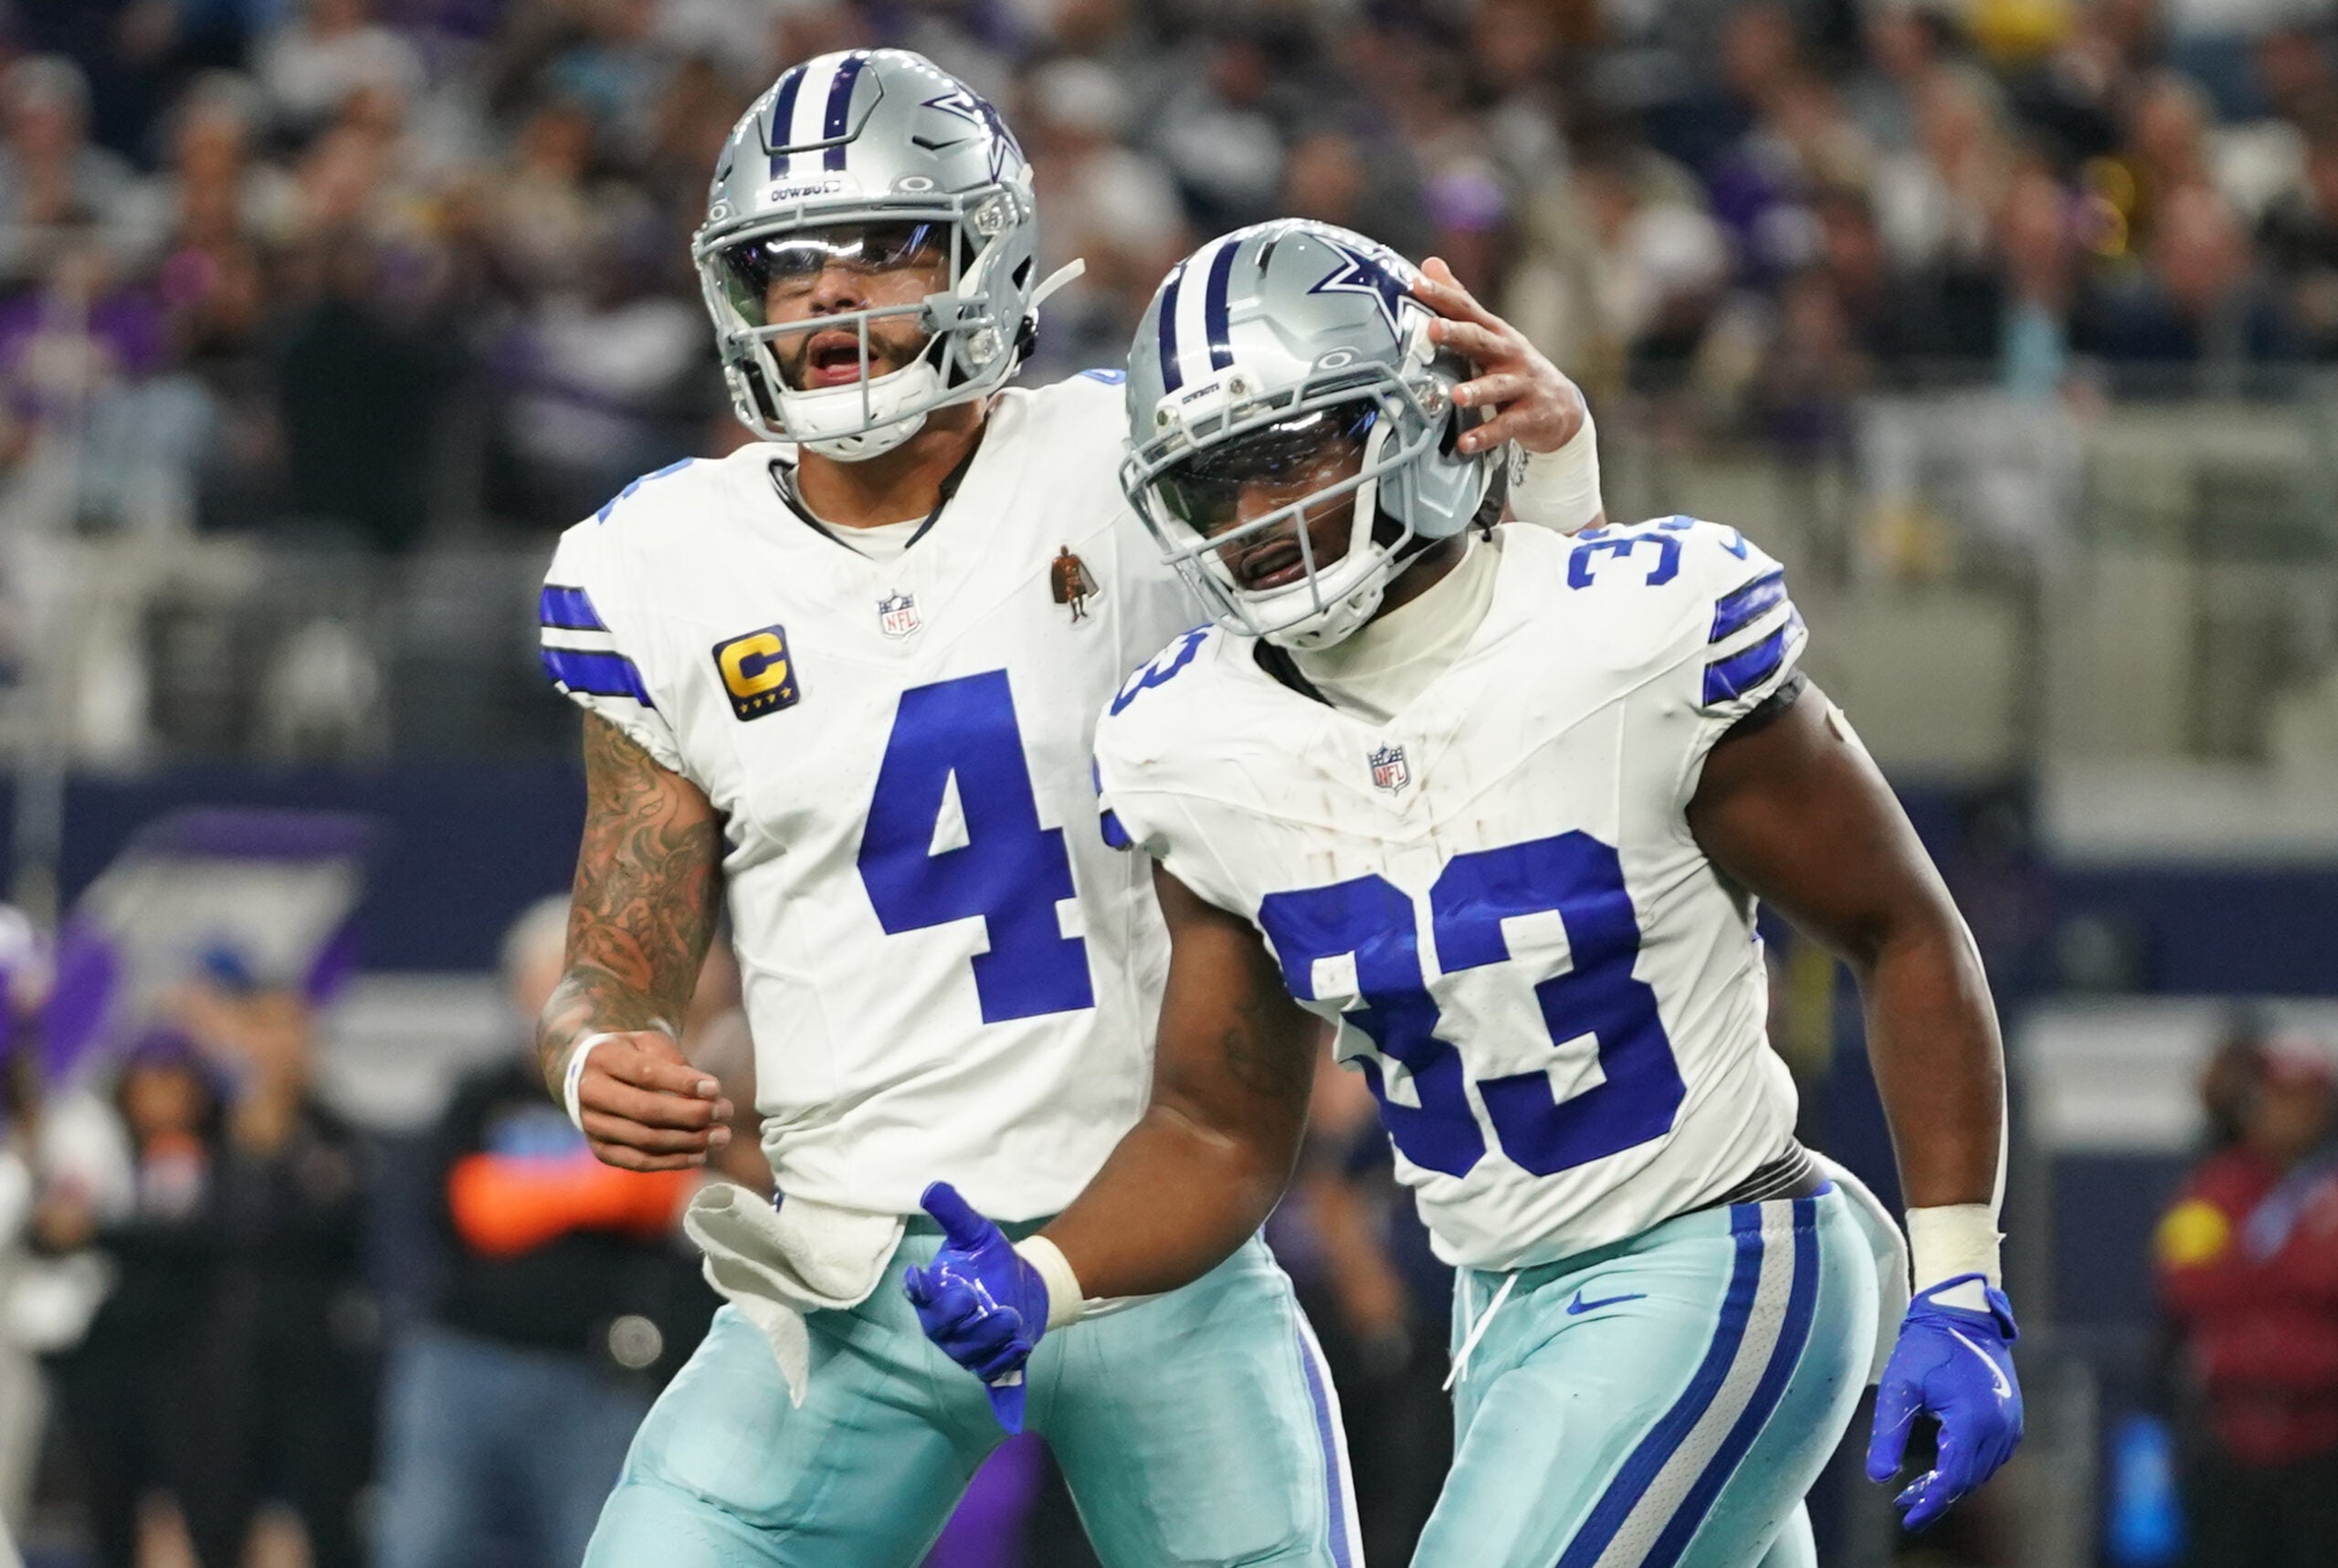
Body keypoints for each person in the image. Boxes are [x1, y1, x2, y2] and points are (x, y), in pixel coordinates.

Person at [531, 48, 1585, 1568]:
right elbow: (612, 961)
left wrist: (1548, 478)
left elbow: (1459, 637)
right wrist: (597, 1052)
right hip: (849, 1269)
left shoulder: (1138, 459)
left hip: (1158, 1236)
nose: (827, 296)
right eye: (786, 264)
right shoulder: (659, 564)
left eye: (881, 246)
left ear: (989, 250)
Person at [904, 218, 2027, 1567]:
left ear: (1419, 416)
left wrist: (1959, 1276)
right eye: (1214, 480)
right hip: (1498, 1306)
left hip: (1717, 1249)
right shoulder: (1189, 744)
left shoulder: (1631, 630)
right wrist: (1044, 1272)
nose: (1256, 517)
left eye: (1291, 452)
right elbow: (1216, 1127)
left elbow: (1900, 930)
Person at [374, 895, 718, 1568]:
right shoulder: (483, 1092)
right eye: (551, 986)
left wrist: (541, 1193)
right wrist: (606, 1189)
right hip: (464, 1361)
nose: (571, 1008)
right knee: (423, 1547)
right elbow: (476, 1210)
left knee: (598, 1551)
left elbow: (671, 1198)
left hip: (592, 1374)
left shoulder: (648, 1092)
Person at [2157, 1034, 2338, 1568]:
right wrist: (2297, 1273)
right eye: (2275, 1097)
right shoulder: (2213, 1188)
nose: (2288, 1113)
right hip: (2229, 1435)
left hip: (2322, 1439)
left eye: (2303, 1098)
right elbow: (2186, 1281)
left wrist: (2248, 1270)